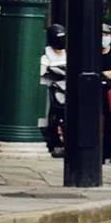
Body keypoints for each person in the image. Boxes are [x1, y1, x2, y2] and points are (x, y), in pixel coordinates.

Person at [41, 22, 66, 155]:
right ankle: (52, 140)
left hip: (66, 89)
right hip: (52, 89)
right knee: (51, 115)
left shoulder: (68, 54)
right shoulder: (46, 55)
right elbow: (41, 71)